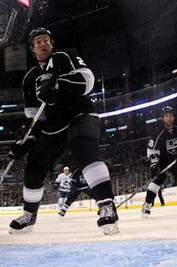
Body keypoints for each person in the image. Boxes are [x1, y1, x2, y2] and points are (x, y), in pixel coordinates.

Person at [8, 27, 119, 235]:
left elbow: (87, 80)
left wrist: (59, 85)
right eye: (38, 42)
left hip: (79, 113)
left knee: (84, 150)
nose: (43, 44)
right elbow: (35, 117)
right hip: (54, 124)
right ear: (32, 49)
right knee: (35, 162)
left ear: (51, 44)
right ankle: (29, 215)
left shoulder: (64, 56)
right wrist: (26, 139)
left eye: (46, 41)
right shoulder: (30, 78)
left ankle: (107, 206)